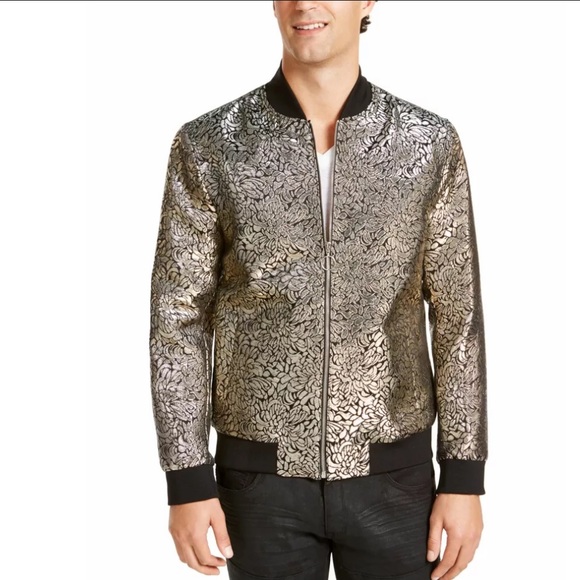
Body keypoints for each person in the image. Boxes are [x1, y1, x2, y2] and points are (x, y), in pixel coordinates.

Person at [149, 2, 487, 579]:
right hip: (257, 483)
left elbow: (459, 319)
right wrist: (186, 478)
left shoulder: (427, 144)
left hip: (395, 479)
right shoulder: (209, 146)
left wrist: (463, 475)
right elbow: (177, 318)